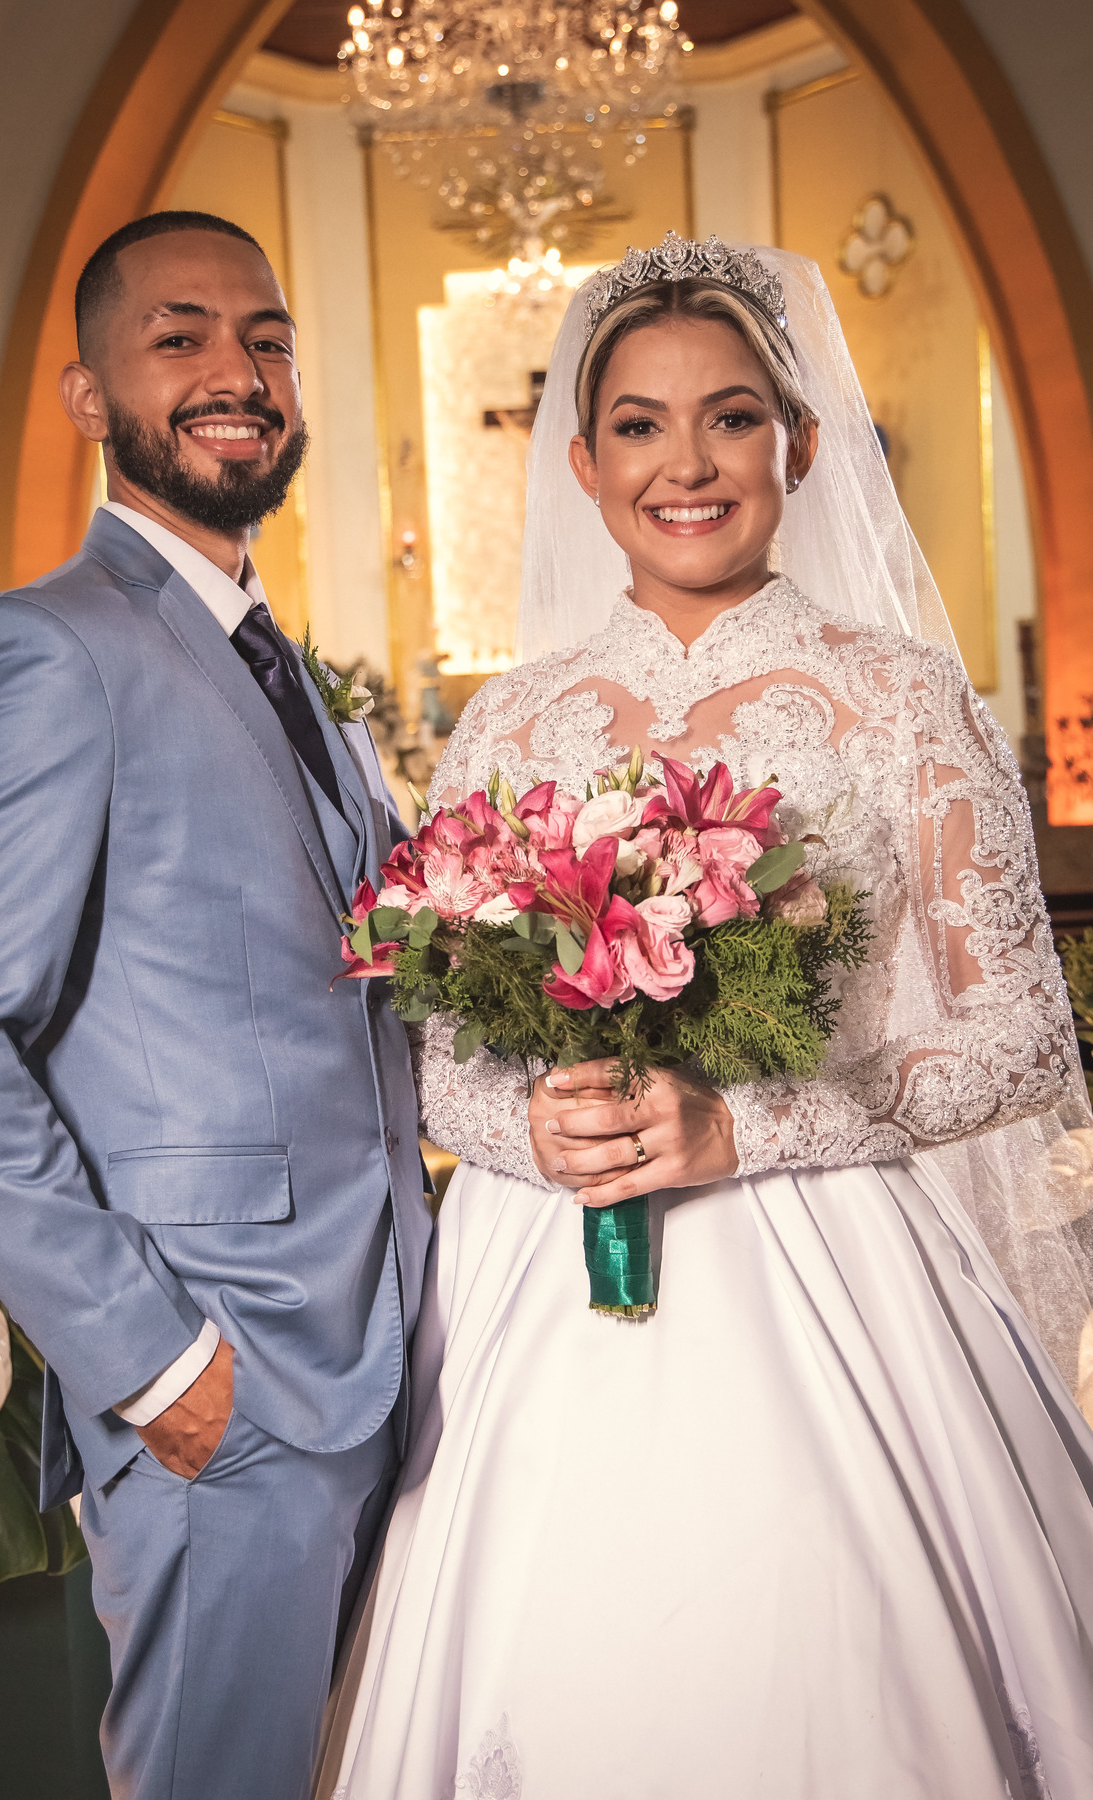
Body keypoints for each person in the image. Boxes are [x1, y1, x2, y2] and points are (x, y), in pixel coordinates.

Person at [317, 237, 1093, 1799]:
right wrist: (525, 1124)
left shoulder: (903, 698)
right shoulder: (507, 724)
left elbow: (1017, 1033)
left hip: (836, 1267)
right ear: (586, 465)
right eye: (643, 426)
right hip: (548, 1261)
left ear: (799, 448)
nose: (690, 463)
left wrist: (749, 1126)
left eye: (733, 417)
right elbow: (443, 1050)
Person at [0, 210, 431, 1800]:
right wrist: (154, 1361)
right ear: (86, 395)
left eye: (263, 338)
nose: (236, 373)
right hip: (226, 1382)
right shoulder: (43, 651)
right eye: (179, 337)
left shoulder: (276, 660)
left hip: (381, 1350)